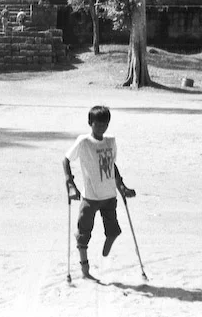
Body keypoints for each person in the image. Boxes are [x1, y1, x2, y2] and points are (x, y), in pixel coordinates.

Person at [63, 105, 137, 281]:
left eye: (105, 124)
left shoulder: (110, 141)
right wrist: (70, 183)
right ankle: (85, 269)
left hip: (109, 195)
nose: (102, 127)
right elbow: (66, 160)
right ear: (90, 123)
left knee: (113, 231)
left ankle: (106, 249)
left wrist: (122, 186)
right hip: (90, 196)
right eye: (98, 124)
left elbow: (111, 165)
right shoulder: (84, 142)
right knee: (83, 233)